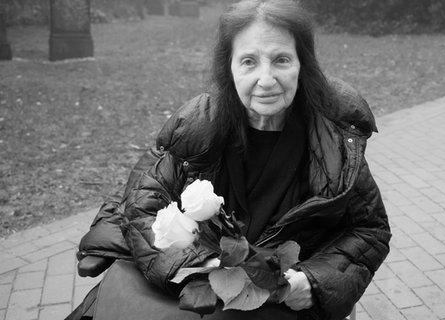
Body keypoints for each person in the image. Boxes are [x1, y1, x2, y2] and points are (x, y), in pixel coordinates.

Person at [68, 0, 391, 319]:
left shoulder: (334, 138)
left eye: (281, 60)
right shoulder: (197, 125)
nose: (266, 80)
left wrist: (316, 281)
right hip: (191, 289)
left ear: (302, 65)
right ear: (230, 68)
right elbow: (142, 203)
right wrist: (198, 266)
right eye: (249, 61)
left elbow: (369, 229)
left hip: (278, 304)